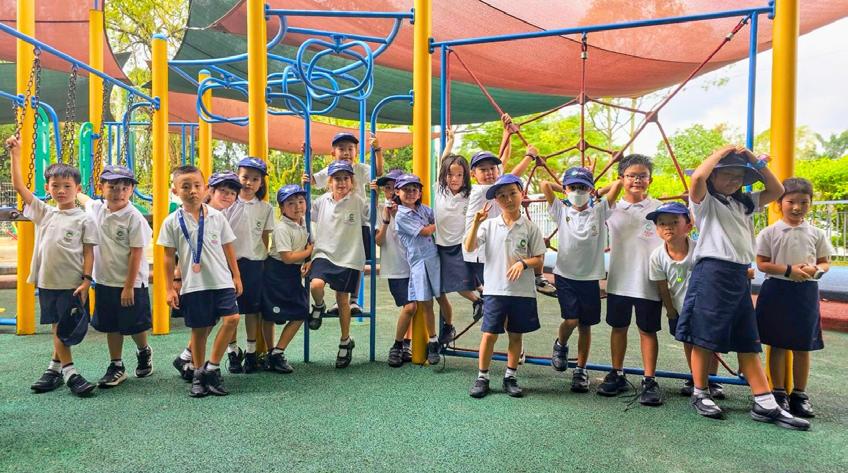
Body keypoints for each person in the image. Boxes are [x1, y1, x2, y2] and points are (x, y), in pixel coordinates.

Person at [676, 145, 809, 430]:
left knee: (748, 338)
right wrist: (720, 153)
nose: (734, 180)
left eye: (739, 175)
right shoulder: (705, 202)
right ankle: (700, 391)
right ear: (714, 176)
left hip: (738, 274)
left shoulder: (744, 202)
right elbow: (697, 178)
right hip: (712, 271)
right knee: (703, 336)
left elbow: (776, 189)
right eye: (727, 174)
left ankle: (765, 401)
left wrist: (753, 160)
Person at [7, 136, 99, 397]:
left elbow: (89, 251)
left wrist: (87, 280)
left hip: (72, 283)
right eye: (55, 186)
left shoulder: (84, 219)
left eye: (67, 186)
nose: (61, 190)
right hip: (48, 282)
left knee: (64, 328)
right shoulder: (44, 212)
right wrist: (16, 154)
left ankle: (60, 370)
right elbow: (19, 187)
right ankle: (65, 371)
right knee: (58, 326)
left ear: (77, 189)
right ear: (47, 188)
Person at [158, 165, 243, 397]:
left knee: (232, 319)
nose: (192, 191)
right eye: (185, 187)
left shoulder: (217, 217)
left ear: (206, 189)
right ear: (175, 191)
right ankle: (198, 373)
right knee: (199, 330)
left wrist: (236, 275)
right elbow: (167, 257)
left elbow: (228, 247)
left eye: (197, 185)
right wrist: (169, 288)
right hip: (194, 284)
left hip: (222, 280)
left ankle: (212, 368)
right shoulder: (171, 221)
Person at [755, 177, 832, 418]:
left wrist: (815, 269)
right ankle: (778, 392)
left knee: (802, 346)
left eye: (804, 202)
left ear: (810, 203)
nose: (797, 207)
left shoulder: (816, 233)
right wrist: (789, 270)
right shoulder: (770, 232)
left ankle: (799, 394)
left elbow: (824, 262)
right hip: (777, 290)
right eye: (791, 201)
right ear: (779, 203)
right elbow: (762, 263)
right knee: (777, 343)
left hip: (805, 292)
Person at [540, 167, 621, 393]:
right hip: (566, 275)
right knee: (571, 320)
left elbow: (618, 185)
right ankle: (561, 344)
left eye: (583, 188)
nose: (578, 192)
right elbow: (545, 185)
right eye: (573, 187)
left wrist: (597, 192)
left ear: (590, 190)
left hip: (590, 278)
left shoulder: (599, 211)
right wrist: (564, 189)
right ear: (566, 190)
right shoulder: (561, 210)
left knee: (586, 326)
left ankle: (581, 369)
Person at [464, 174, 545, 398]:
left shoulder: (530, 227)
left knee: (516, 335)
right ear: (496, 201)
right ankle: (482, 377)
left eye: (512, 193)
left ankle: (511, 376)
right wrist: (475, 223)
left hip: (522, 291)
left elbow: (539, 259)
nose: (508, 199)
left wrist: (523, 263)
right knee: (489, 334)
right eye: (501, 196)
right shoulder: (489, 225)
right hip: (495, 290)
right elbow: (469, 247)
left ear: (522, 194)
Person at [598, 155, 665, 406]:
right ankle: (617, 373)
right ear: (621, 179)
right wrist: (614, 185)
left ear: (650, 180)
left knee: (648, 330)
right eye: (631, 176)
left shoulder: (658, 208)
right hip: (620, 280)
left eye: (642, 176)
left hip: (649, 281)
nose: (637, 180)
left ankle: (649, 379)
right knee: (619, 328)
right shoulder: (611, 207)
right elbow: (594, 195)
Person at [463, 116, 555, 298]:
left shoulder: (495, 181)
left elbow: (502, 160)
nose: (489, 173)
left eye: (492, 169)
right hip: (479, 248)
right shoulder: (479, 191)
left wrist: (507, 133)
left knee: (531, 243)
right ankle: (535, 279)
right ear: (473, 174)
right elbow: (512, 176)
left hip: (495, 240)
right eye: (483, 170)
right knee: (496, 290)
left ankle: (538, 277)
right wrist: (529, 157)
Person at [78, 165, 153, 388]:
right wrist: (75, 192)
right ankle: (116, 365)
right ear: (101, 188)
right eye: (112, 187)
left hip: (131, 282)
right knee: (111, 325)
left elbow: (136, 254)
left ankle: (143, 350)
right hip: (105, 280)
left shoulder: (134, 217)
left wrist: (128, 287)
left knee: (135, 325)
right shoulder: (96, 208)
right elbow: (84, 200)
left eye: (124, 188)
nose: (118, 192)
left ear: (131, 190)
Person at [646, 201, 723, 399]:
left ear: (688, 226)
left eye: (674, 222)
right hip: (680, 308)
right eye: (662, 223)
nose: (668, 227)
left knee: (709, 343)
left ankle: (712, 379)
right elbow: (662, 287)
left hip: (705, 307)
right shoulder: (657, 256)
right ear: (657, 229)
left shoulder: (700, 251)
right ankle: (696, 377)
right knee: (688, 342)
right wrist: (670, 311)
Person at [303, 132, 384, 315]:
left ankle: (353, 300)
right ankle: (339, 301)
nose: (346, 152)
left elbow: (378, 172)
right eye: (341, 149)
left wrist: (377, 150)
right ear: (333, 152)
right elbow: (312, 180)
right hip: (340, 219)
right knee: (338, 256)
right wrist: (308, 157)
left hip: (359, 218)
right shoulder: (331, 169)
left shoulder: (360, 168)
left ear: (356, 151)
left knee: (356, 257)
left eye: (350, 148)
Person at [307, 161, 370, 368]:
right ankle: (319, 305)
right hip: (324, 253)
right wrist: (305, 184)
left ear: (352, 182)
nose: (341, 182)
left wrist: (378, 193)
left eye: (345, 178)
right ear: (329, 182)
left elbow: (373, 215)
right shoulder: (321, 201)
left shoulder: (358, 201)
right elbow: (305, 213)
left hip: (348, 256)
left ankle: (345, 341)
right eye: (337, 179)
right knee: (315, 285)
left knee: (343, 300)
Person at [394, 173, 455, 366]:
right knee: (426, 303)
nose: (411, 193)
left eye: (414, 190)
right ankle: (433, 341)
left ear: (420, 193)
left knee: (441, 296)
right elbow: (426, 231)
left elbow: (437, 217)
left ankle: (449, 327)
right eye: (406, 190)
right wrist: (440, 224)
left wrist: (440, 221)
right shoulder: (401, 215)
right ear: (398, 192)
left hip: (434, 258)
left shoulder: (423, 209)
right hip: (419, 263)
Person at [225, 157, 275, 374]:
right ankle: (232, 351)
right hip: (229, 264)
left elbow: (265, 237)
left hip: (255, 264)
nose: (249, 182)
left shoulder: (265, 208)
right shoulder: (228, 203)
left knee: (253, 310)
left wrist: (265, 261)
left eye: (255, 179)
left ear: (261, 183)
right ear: (237, 176)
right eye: (245, 177)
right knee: (231, 311)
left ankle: (252, 352)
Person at [261, 185, 313, 374]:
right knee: (269, 314)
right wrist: (309, 251)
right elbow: (287, 257)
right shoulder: (282, 227)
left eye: (300, 201)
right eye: (290, 203)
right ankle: (270, 352)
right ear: (282, 208)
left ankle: (277, 351)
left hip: (292, 274)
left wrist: (309, 259)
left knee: (301, 312)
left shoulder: (305, 223)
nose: (297, 206)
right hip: (276, 273)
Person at [434, 129, 484, 324]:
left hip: (461, 244)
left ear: (465, 177)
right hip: (442, 245)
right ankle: (479, 299)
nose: (454, 179)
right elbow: (443, 161)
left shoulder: (469, 195)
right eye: (450, 175)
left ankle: (479, 299)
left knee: (461, 282)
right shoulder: (440, 190)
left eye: (459, 175)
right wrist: (450, 142)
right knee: (453, 282)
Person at [373, 169, 415, 366]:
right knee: (410, 306)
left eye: (394, 187)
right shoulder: (380, 209)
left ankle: (407, 343)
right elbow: (379, 241)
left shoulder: (414, 209)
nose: (390, 192)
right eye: (387, 188)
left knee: (415, 307)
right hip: (396, 267)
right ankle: (398, 344)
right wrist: (386, 219)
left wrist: (399, 215)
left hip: (415, 265)